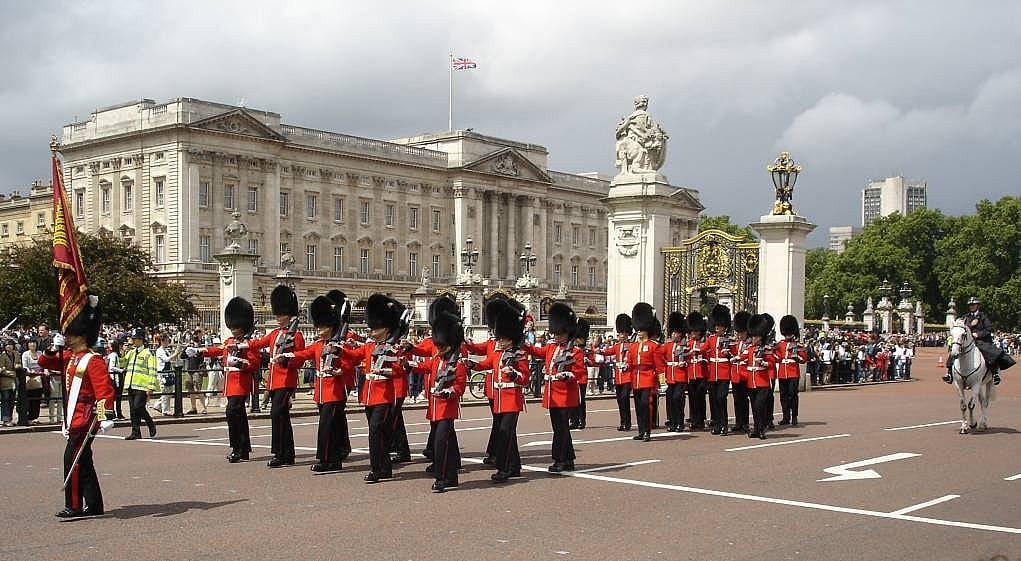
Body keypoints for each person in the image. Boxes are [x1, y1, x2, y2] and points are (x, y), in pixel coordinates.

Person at [38, 294, 115, 518]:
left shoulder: (93, 359)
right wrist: (53, 347)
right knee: (84, 460)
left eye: (70, 335)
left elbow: (104, 390)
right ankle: (94, 504)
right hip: (74, 414)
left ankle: (74, 505)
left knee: (72, 459)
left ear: (81, 336)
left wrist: (104, 416)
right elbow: (45, 362)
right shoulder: (71, 357)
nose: (67, 338)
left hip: (86, 417)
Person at [278, 291, 353, 472]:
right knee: (331, 426)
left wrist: (339, 366)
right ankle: (333, 460)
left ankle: (326, 458)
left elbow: (351, 362)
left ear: (331, 326)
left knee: (327, 426)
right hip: (322, 392)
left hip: (335, 392)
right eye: (318, 326)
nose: (319, 330)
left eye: (323, 327)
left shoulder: (341, 345)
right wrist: (287, 357)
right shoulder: (319, 344)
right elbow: (303, 354)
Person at [339, 294, 410, 483]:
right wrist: (340, 351)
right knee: (378, 433)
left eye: (375, 327)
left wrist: (389, 366)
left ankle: (377, 469)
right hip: (369, 395)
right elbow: (354, 356)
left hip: (384, 396)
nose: (371, 330)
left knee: (376, 431)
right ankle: (384, 467)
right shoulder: (370, 346)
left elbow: (400, 370)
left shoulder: (393, 348)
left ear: (386, 329)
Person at [194, 298, 260, 462]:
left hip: (241, 382)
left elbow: (254, 363)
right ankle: (244, 449)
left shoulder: (248, 343)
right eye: (232, 327)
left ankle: (237, 448)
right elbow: (217, 350)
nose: (233, 330)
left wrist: (241, 363)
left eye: (236, 327)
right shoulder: (229, 341)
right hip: (230, 384)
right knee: (239, 415)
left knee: (232, 412)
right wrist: (200, 351)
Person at [471, 298, 530, 482]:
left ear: (511, 338)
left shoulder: (519, 355)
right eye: (500, 337)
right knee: (509, 435)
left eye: (503, 338)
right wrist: (470, 364)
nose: (500, 341)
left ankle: (503, 469)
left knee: (504, 434)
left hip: (512, 400)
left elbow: (525, 378)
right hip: (499, 399)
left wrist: (514, 375)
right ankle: (515, 466)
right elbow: (484, 364)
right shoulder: (498, 353)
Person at [248, 285, 306, 468]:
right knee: (282, 417)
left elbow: (300, 360)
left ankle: (279, 453)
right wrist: (240, 344)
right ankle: (287, 454)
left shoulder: (296, 336)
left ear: (289, 315)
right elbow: (257, 344)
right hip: (274, 381)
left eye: (281, 314)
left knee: (276, 414)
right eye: (278, 314)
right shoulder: (274, 334)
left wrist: (287, 358)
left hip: (286, 380)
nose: (278, 318)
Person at [415, 311, 468, 492]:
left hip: (447, 409)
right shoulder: (437, 360)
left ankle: (442, 477)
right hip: (435, 409)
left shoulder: (458, 364)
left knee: (440, 444)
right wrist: (408, 365)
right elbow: (425, 367)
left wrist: (448, 392)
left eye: (442, 346)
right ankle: (451, 477)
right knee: (446, 443)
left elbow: (460, 388)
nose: (438, 349)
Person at [537, 302, 584, 471]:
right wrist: (523, 345)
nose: (556, 336)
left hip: (565, 394)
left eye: (560, 333)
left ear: (567, 332)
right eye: (555, 333)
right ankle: (569, 459)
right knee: (560, 428)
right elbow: (538, 352)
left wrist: (568, 376)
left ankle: (560, 460)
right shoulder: (551, 347)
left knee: (561, 430)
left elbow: (579, 372)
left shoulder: (575, 351)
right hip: (552, 393)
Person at [945, 297, 1014, 385]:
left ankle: (995, 373)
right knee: (954, 351)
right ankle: (949, 373)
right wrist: (970, 325)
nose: (972, 307)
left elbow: (988, 329)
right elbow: (962, 328)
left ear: (977, 306)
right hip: (967, 341)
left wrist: (978, 334)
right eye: (970, 305)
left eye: (973, 305)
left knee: (989, 353)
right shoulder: (965, 317)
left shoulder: (983, 316)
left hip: (981, 340)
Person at [626, 303, 665, 442]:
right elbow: (630, 364)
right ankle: (641, 431)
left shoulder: (654, 346)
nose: (639, 332)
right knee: (638, 406)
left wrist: (662, 382)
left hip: (648, 378)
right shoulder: (633, 346)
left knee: (645, 404)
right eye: (638, 329)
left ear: (646, 330)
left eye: (641, 329)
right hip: (636, 378)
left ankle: (647, 431)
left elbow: (659, 366)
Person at [701, 304, 735, 436]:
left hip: (724, 374)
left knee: (721, 398)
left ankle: (724, 425)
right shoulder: (711, 339)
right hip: (712, 374)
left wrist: (729, 353)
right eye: (716, 326)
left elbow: (734, 354)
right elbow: (703, 348)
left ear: (724, 326)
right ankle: (717, 424)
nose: (717, 328)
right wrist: (691, 350)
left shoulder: (730, 340)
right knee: (714, 400)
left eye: (720, 326)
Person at [743, 314, 776, 440]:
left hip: (762, 382)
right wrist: (734, 358)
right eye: (752, 336)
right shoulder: (750, 349)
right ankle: (756, 429)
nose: (753, 339)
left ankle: (761, 429)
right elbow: (743, 357)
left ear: (760, 337)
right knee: (754, 407)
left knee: (759, 405)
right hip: (751, 382)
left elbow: (772, 362)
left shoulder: (766, 349)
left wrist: (763, 363)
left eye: (755, 336)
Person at [121, 328, 157, 440]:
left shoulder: (148, 353)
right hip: (131, 384)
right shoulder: (131, 352)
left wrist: (150, 387)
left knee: (138, 407)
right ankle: (135, 432)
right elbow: (122, 364)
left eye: (135, 339)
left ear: (141, 339)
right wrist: (123, 352)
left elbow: (152, 370)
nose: (133, 341)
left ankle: (150, 422)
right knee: (132, 409)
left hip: (142, 385)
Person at [602, 314, 634, 431]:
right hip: (618, 377)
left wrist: (627, 365)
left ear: (627, 334)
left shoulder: (632, 346)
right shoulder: (617, 346)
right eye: (620, 334)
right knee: (620, 400)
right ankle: (623, 422)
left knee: (625, 399)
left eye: (624, 334)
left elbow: (634, 360)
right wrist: (597, 350)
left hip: (627, 377)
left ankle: (628, 423)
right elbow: (608, 352)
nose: (622, 336)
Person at [775, 315, 807, 426]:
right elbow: (778, 358)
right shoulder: (779, 344)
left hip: (793, 372)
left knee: (793, 394)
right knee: (783, 395)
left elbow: (803, 359)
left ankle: (794, 416)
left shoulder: (798, 345)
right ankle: (785, 417)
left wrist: (797, 358)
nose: (787, 335)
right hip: (782, 373)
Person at [661, 312, 688, 432]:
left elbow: (690, 358)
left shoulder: (685, 345)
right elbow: (660, 358)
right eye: (672, 332)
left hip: (680, 376)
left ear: (680, 333)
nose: (673, 334)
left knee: (678, 398)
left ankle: (679, 422)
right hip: (669, 376)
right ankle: (672, 422)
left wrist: (685, 362)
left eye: (676, 333)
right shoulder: (667, 345)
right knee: (670, 399)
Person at [685, 311, 708, 431]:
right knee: (692, 397)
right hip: (691, 374)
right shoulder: (687, 344)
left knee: (700, 397)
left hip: (702, 374)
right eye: (693, 331)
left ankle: (700, 419)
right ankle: (694, 419)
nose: (695, 334)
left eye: (697, 331)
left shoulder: (704, 344)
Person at [568, 318, 593, 430]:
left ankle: (581, 420)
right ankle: (573, 420)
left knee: (580, 400)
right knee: (572, 401)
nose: (579, 340)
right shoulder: (571, 349)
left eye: (580, 338)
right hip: (572, 378)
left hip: (581, 378)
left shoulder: (586, 350)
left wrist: (587, 361)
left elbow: (593, 361)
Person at [729, 311, 751, 434]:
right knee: (737, 399)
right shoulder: (736, 343)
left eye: (742, 332)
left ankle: (745, 423)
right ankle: (739, 422)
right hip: (736, 375)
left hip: (745, 375)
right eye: (738, 332)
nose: (740, 334)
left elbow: (746, 357)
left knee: (744, 399)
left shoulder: (749, 344)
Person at [183, 329, 208, 415]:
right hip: (189, 369)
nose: (196, 336)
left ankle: (204, 407)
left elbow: (202, 357)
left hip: (197, 369)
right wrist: (186, 348)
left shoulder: (201, 346)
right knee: (190, 389)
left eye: (197, 335)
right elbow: (183, 356)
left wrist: (197, 351)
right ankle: (193, 408)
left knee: (198, 389)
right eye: (195, 335)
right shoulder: (190, 345)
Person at [21, 339, 45, 424]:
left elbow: (43, 364)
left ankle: (35, 417)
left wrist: (44, 370)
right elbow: (25, 366)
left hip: (39, 378)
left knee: (37, 398)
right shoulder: (25, 354)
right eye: (30, 343)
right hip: (29, 377)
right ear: (27, 345)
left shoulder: (40, 353)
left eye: (34, 343)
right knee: (30, 398)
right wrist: (30, 371)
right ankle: (29, 417)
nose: (32, 344)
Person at [0, 338, 21, 426]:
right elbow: (1, 368)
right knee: (5, 399)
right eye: (7, 345)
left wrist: (18, 366)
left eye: (10, 344)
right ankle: (5, 419)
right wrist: (11, 373)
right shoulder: (2, 355)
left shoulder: (16, 354)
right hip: (5, 379)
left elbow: (19, 363)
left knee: (12, 400)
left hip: (14, 380)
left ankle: (10, 418)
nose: (9, 346)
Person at [105, 339, 126, 420]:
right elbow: (112, 367)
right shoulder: (114, 355)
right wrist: (121, 370)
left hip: (113, 378)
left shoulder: (112, 355)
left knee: (115, 397)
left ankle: (115, 413)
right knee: (117, 397)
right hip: (115, 378)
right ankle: (117, 414)